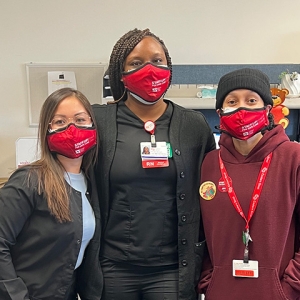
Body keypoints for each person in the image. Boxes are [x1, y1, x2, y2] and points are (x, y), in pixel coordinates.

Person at [92, 28, 216, 300]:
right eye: (136, 63)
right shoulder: (98, 122)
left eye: (158, 61)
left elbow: (211, 188)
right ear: (120, 74)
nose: (149, 69)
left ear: (169, 67)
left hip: (172, 268)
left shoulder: (193, 125)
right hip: (113, 266)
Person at [198, 68, 300, 300]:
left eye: (251, 100)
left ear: (266, 109)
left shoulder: (293, 158)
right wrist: (209, 280)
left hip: (277, 293)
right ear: (220, 112)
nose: (242, 109)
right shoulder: (210, 163)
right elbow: (200, 231)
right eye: (232, 101)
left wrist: (291, 287)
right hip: (221, 291)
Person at [0, 88, 102, 300]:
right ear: (46, 130)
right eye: (60, 122)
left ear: (93, 125)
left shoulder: (90, 184)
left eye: (80, 119)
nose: (72, 128)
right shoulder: (29, 181)